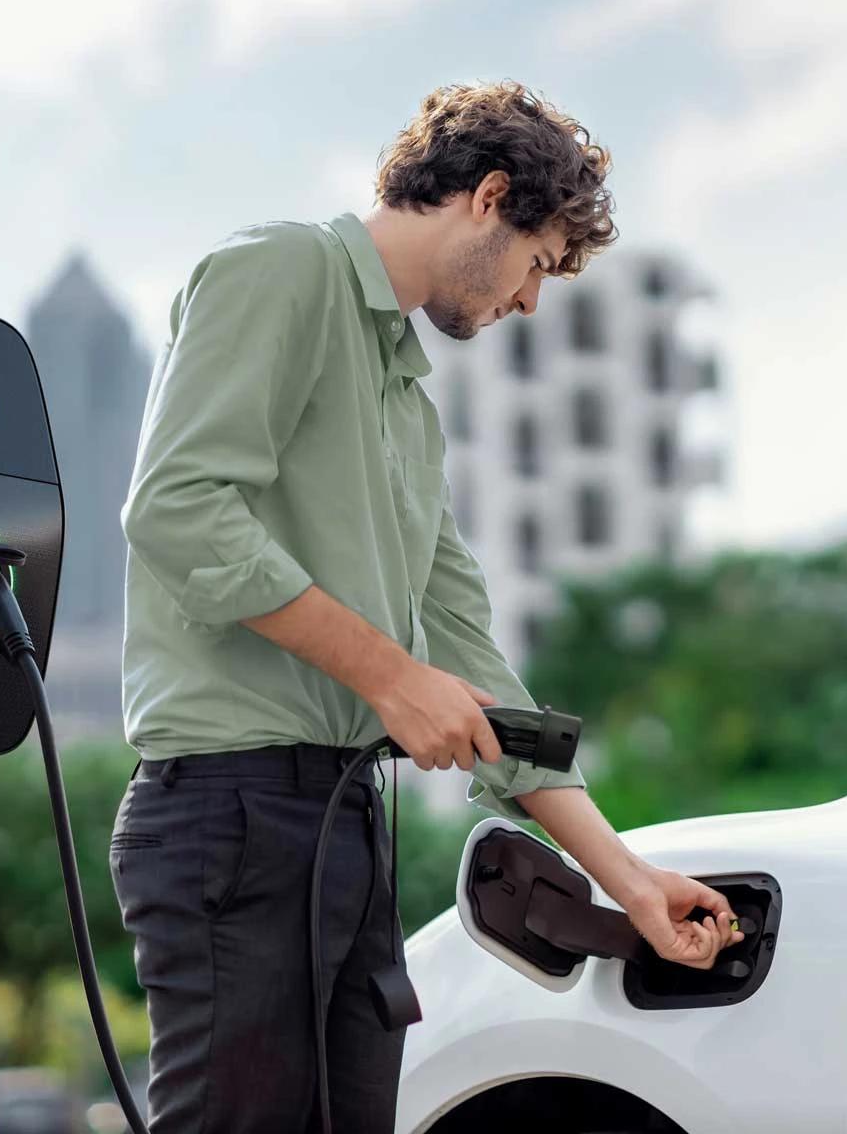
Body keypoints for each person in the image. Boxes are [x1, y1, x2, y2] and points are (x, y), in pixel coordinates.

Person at [111, 81, 742, 1134]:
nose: (531, 302)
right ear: (489, 196)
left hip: (344, 827)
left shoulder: (406, 400)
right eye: (538, 263)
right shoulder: (284, 268)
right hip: (230, 814)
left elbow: (469, 660)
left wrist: (626, 877)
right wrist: (391, 677)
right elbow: (176, 508)